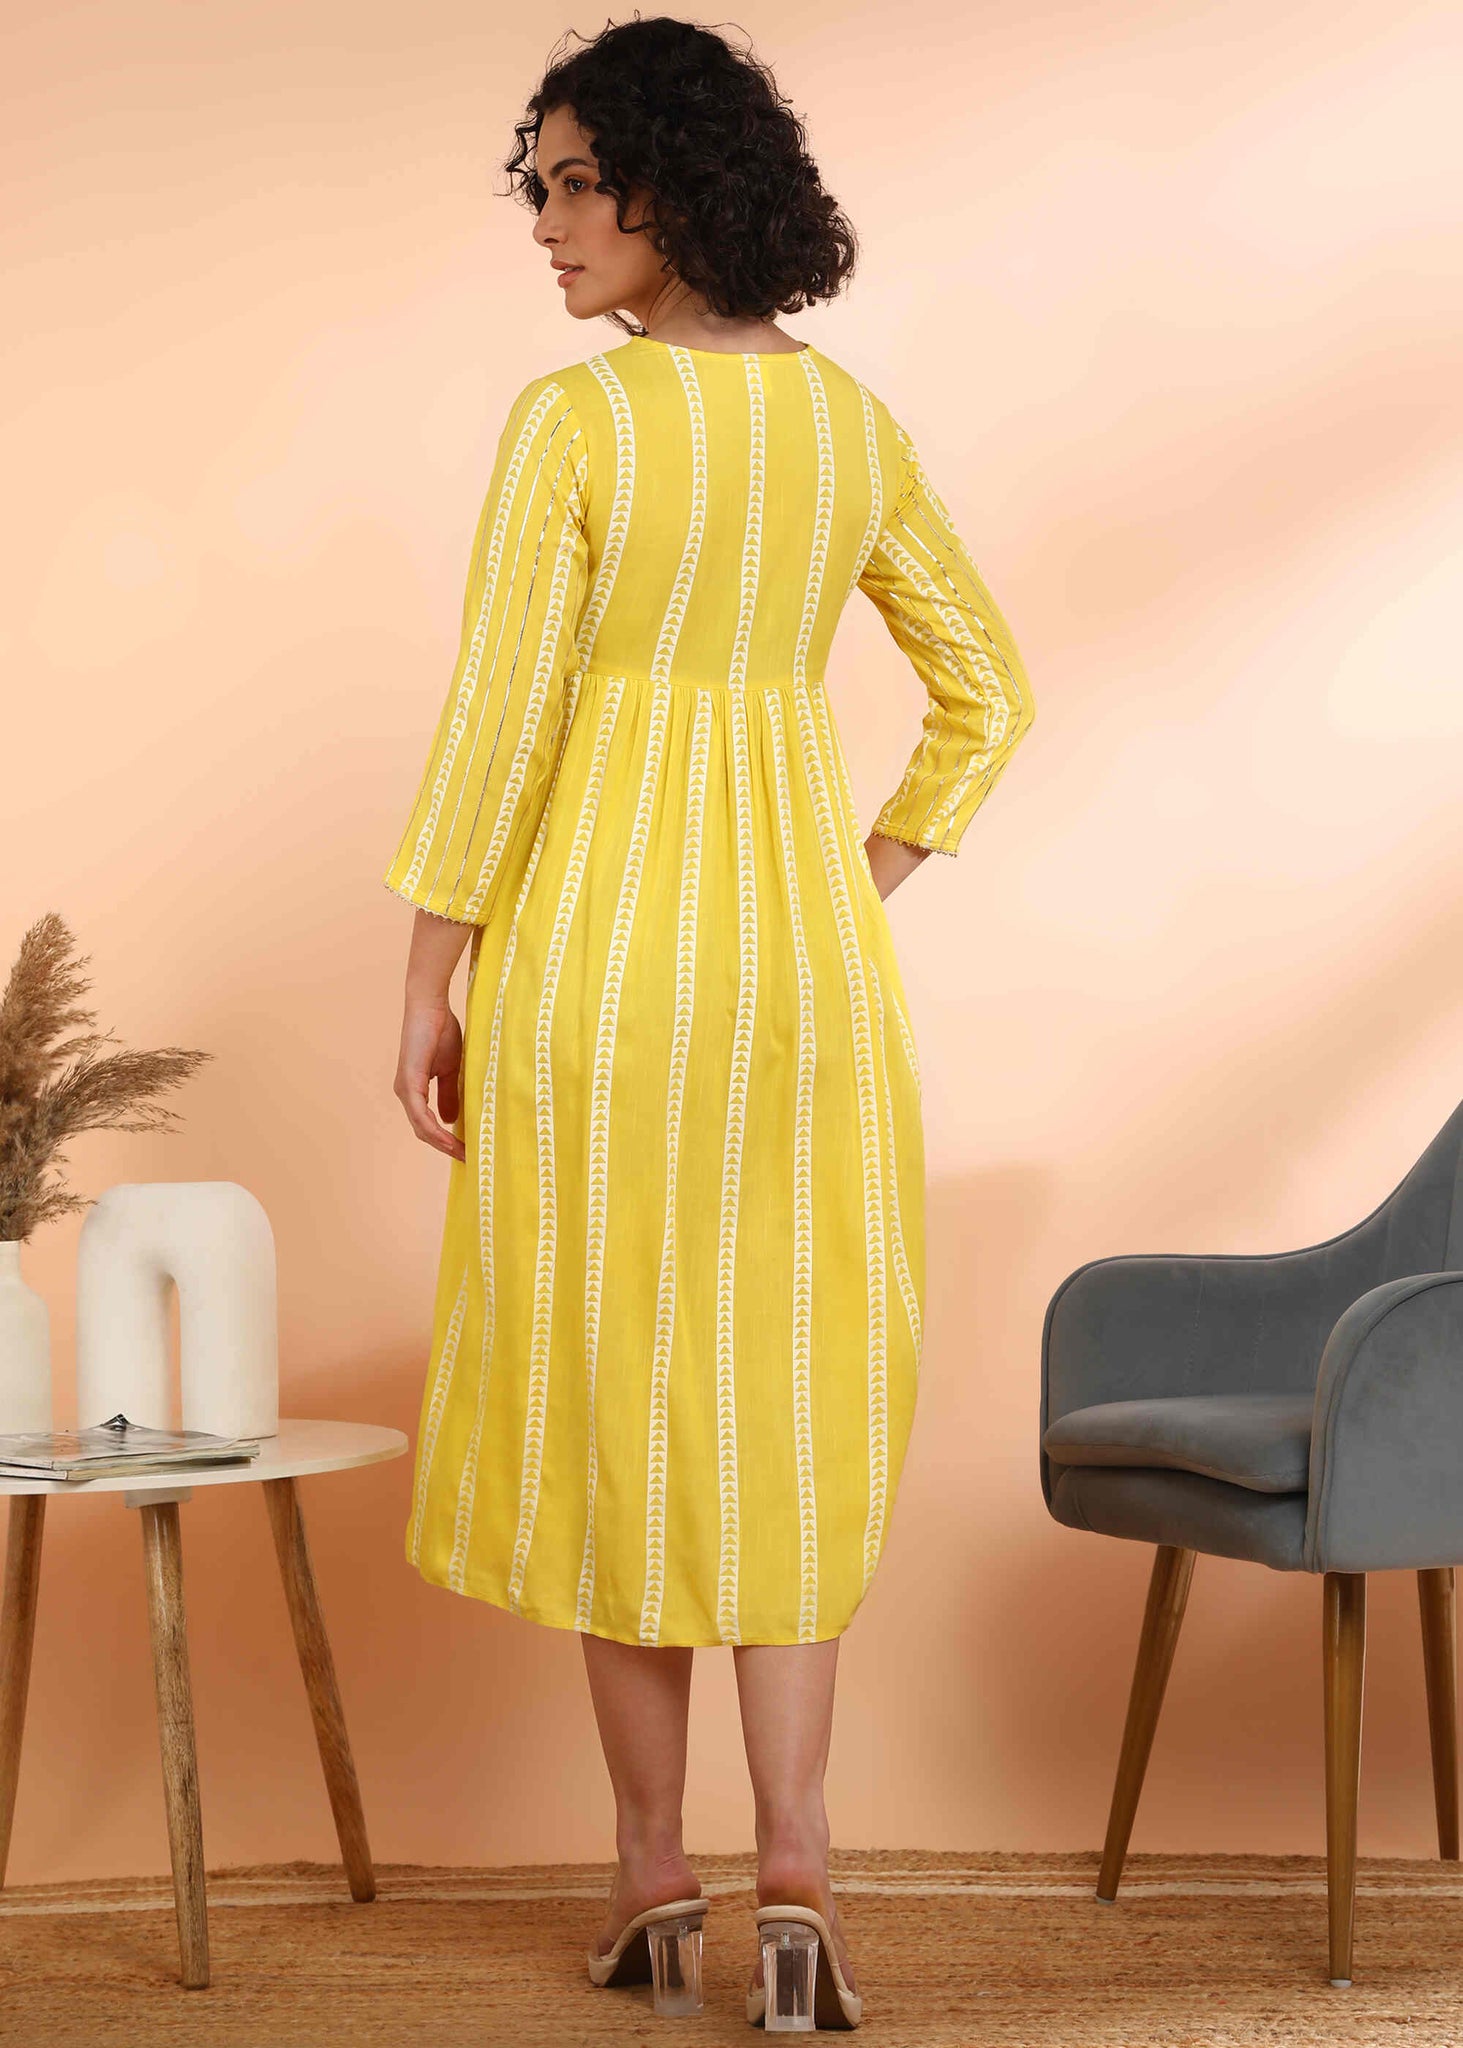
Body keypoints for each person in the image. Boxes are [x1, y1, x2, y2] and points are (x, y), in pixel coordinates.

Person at [385, 16, 1035, 2028]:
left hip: (593, 976)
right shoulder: (851, 430)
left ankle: (655, 1878)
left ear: (672, 187)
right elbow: (990, 691)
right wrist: (853, 881)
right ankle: (803, 1873)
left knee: (619, 1405)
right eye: (542, 188)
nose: (549, 224)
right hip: (801, 986)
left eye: (578, 184)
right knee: (786, 1398)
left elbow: (500, 725)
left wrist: (427, 979)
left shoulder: (576, 427)